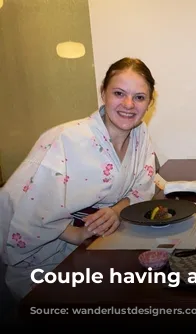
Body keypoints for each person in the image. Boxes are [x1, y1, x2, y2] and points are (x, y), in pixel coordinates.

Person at [1, 57, 158, 300]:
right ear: (103, 92)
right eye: (119, 93)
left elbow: (142, 187)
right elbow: (27, 205)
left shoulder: (140, 135)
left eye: (139, 97)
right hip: (50, 255)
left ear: (150, 102)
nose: (128, 104)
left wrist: (116, 210)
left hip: (103, 242)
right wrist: (74, 234)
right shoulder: (66, 138)